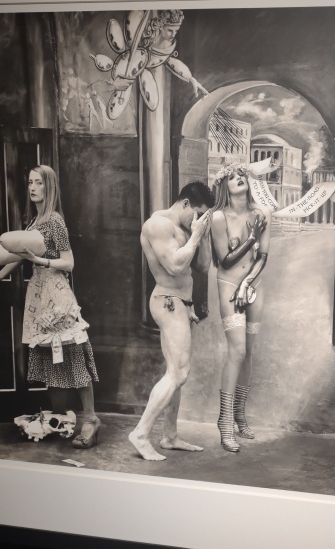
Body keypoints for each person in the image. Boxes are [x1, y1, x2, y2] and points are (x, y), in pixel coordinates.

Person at [0, 165, 101, 448]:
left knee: (72, 357)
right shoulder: (34, 223)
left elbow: (69, 263)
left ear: (50, 187)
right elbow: (18, 257)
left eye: (39, 183)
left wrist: (41, 261)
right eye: (30, 182)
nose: (33, 188)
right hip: (38, 295)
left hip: (57, 296)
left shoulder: (55, 221)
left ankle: (91, 419)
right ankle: (61, 418)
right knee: (50, 359)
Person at [128, 182, 214, 461]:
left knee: (175, 373)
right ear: (185, 203)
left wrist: (203, 234)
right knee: (179, 373)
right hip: (167, 301)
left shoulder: (188, 227)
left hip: (183, 303)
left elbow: (202, 266)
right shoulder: (158, 225)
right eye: (197, 214)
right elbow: (175, 266)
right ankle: (140, 434)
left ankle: (170, 436)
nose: (197, 220)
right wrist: (195, 236)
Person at [210, 163, 271, 452]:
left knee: (249, 353)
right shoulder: (218, 217)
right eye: (232, 177)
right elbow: (225, 261)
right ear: (224, 186)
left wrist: (247, 283)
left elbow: (264, 256)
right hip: (228, 287)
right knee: (237, 351)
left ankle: (239, 415)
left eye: (241, 175)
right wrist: (251, 238)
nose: (238, 179)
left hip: (253, 286)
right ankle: (224, 421)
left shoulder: (262, 213)